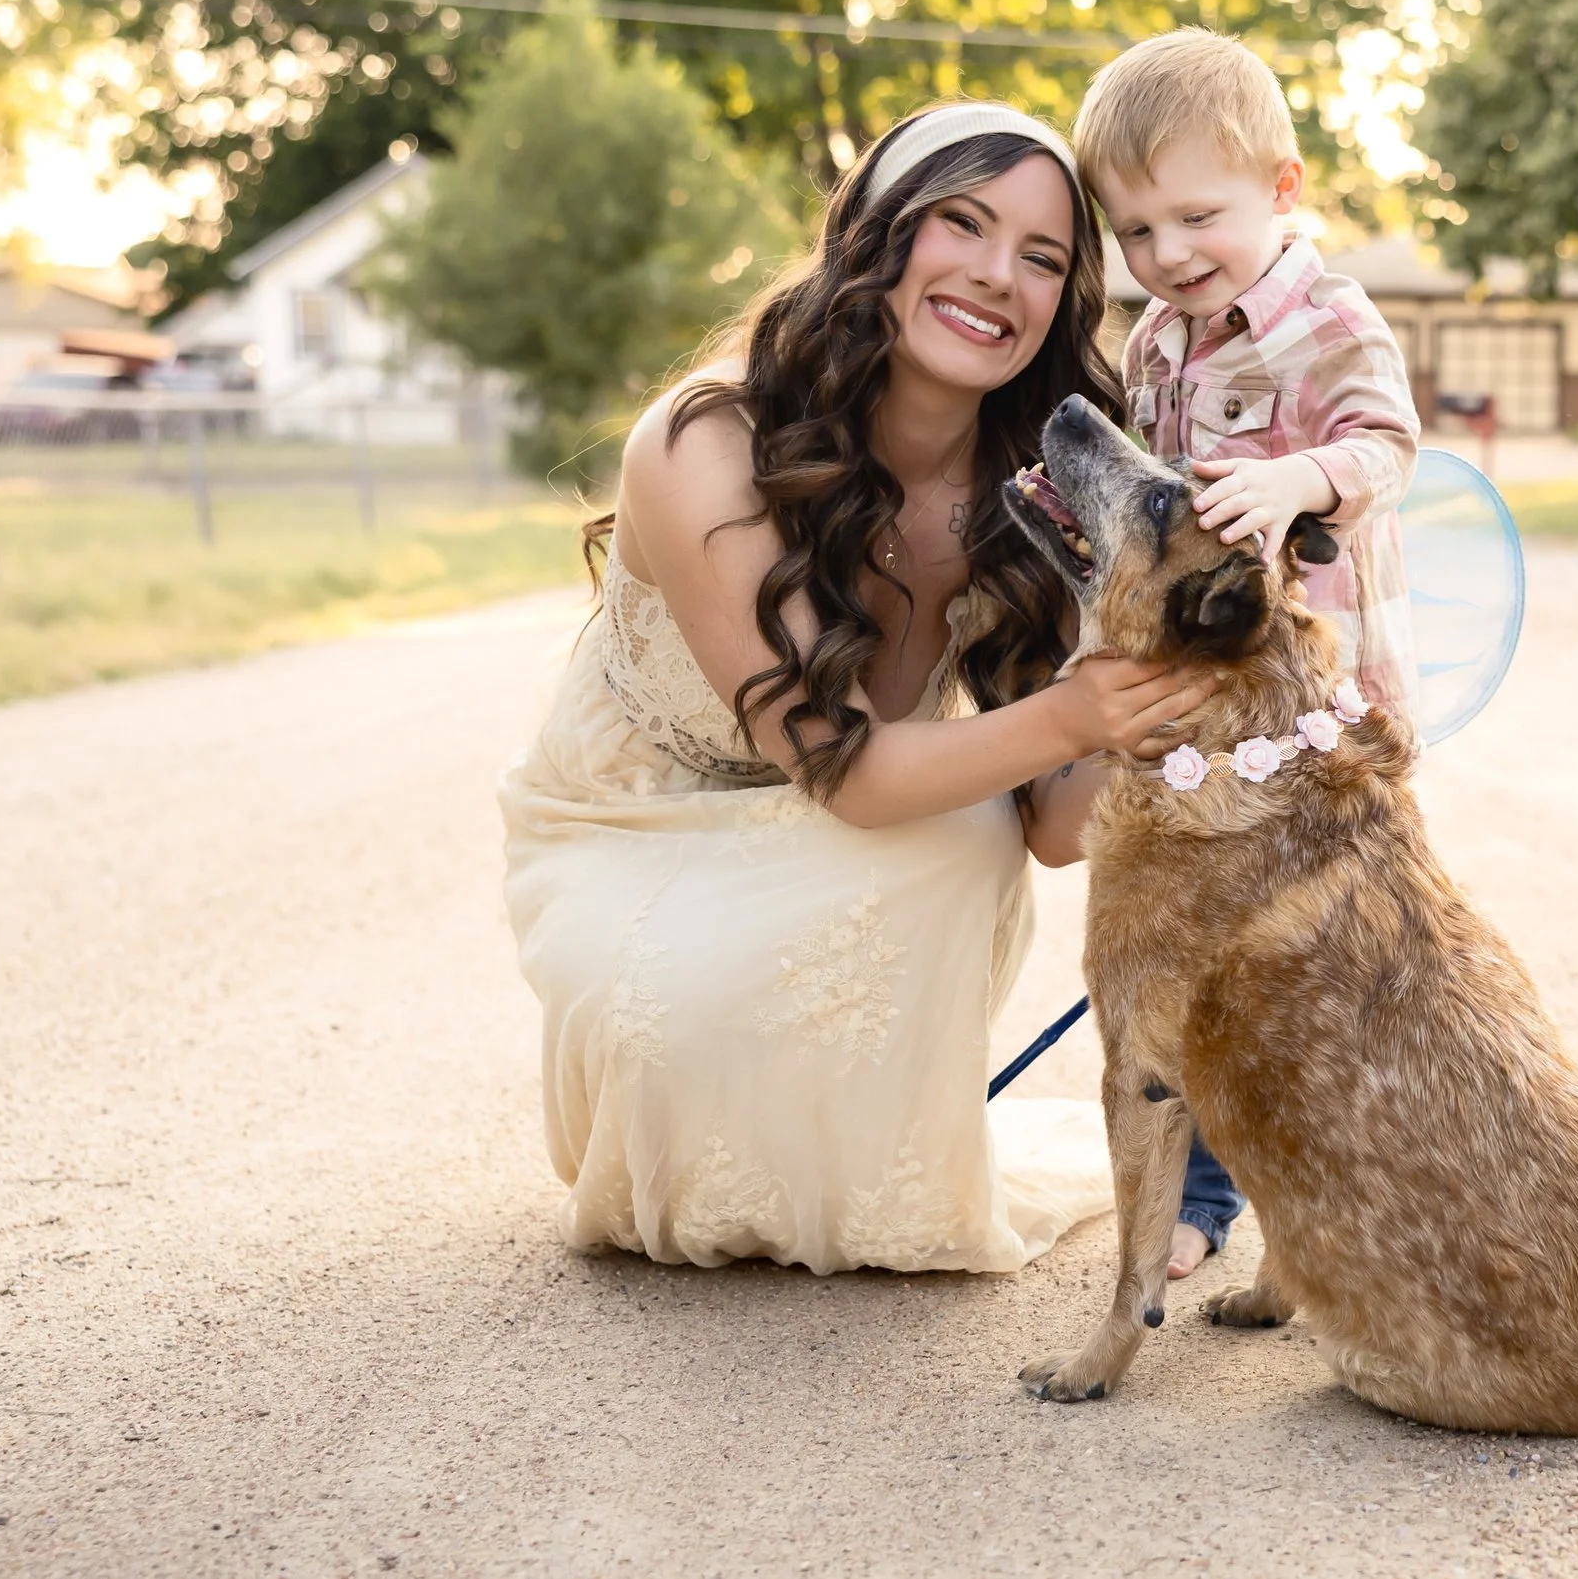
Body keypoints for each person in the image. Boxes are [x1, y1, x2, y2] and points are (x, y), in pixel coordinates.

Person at [498, 103, 1213, 1274]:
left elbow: (1050, 827)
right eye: (961, 224)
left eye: (1042, 258)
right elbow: (852, 773)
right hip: (637, 822)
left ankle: (859, 1137)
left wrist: (1170, 700)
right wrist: (1079, 711)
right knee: (669, 1039)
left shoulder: (1029, 482)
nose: (998, 275)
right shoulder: (704, 442)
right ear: (875, 231)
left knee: (973, 831)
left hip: (856, 835)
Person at [1073, 27, 1422, 1278]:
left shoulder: (1325, 317)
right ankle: (1203, 1196)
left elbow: (1388, 444)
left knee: (1315, 962)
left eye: (1195, 217)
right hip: (1209, 707)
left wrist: (1296, 479)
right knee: (1199, 947)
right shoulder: (1155, 341)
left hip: (1320, 705)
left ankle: (1321, 1201)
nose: (1167, 254)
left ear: (1281, 189)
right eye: (1135, 230)